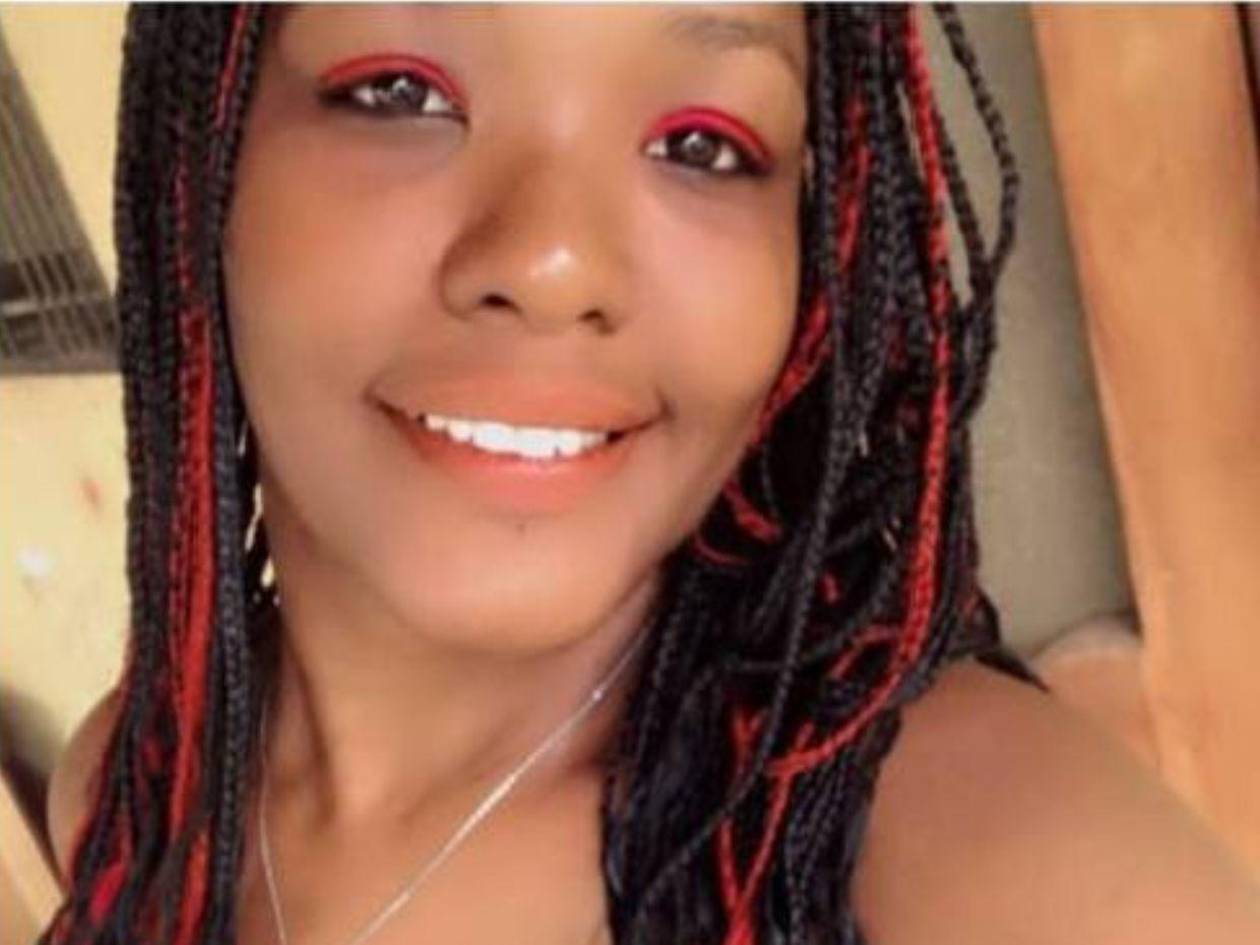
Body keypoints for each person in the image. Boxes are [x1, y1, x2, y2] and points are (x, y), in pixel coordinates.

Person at [38, 5, 1260, 945]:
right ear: (201, 154)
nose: (553, 260)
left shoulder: (987, 865)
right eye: (402, 92)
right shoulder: (131, 792)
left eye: (702, 146)